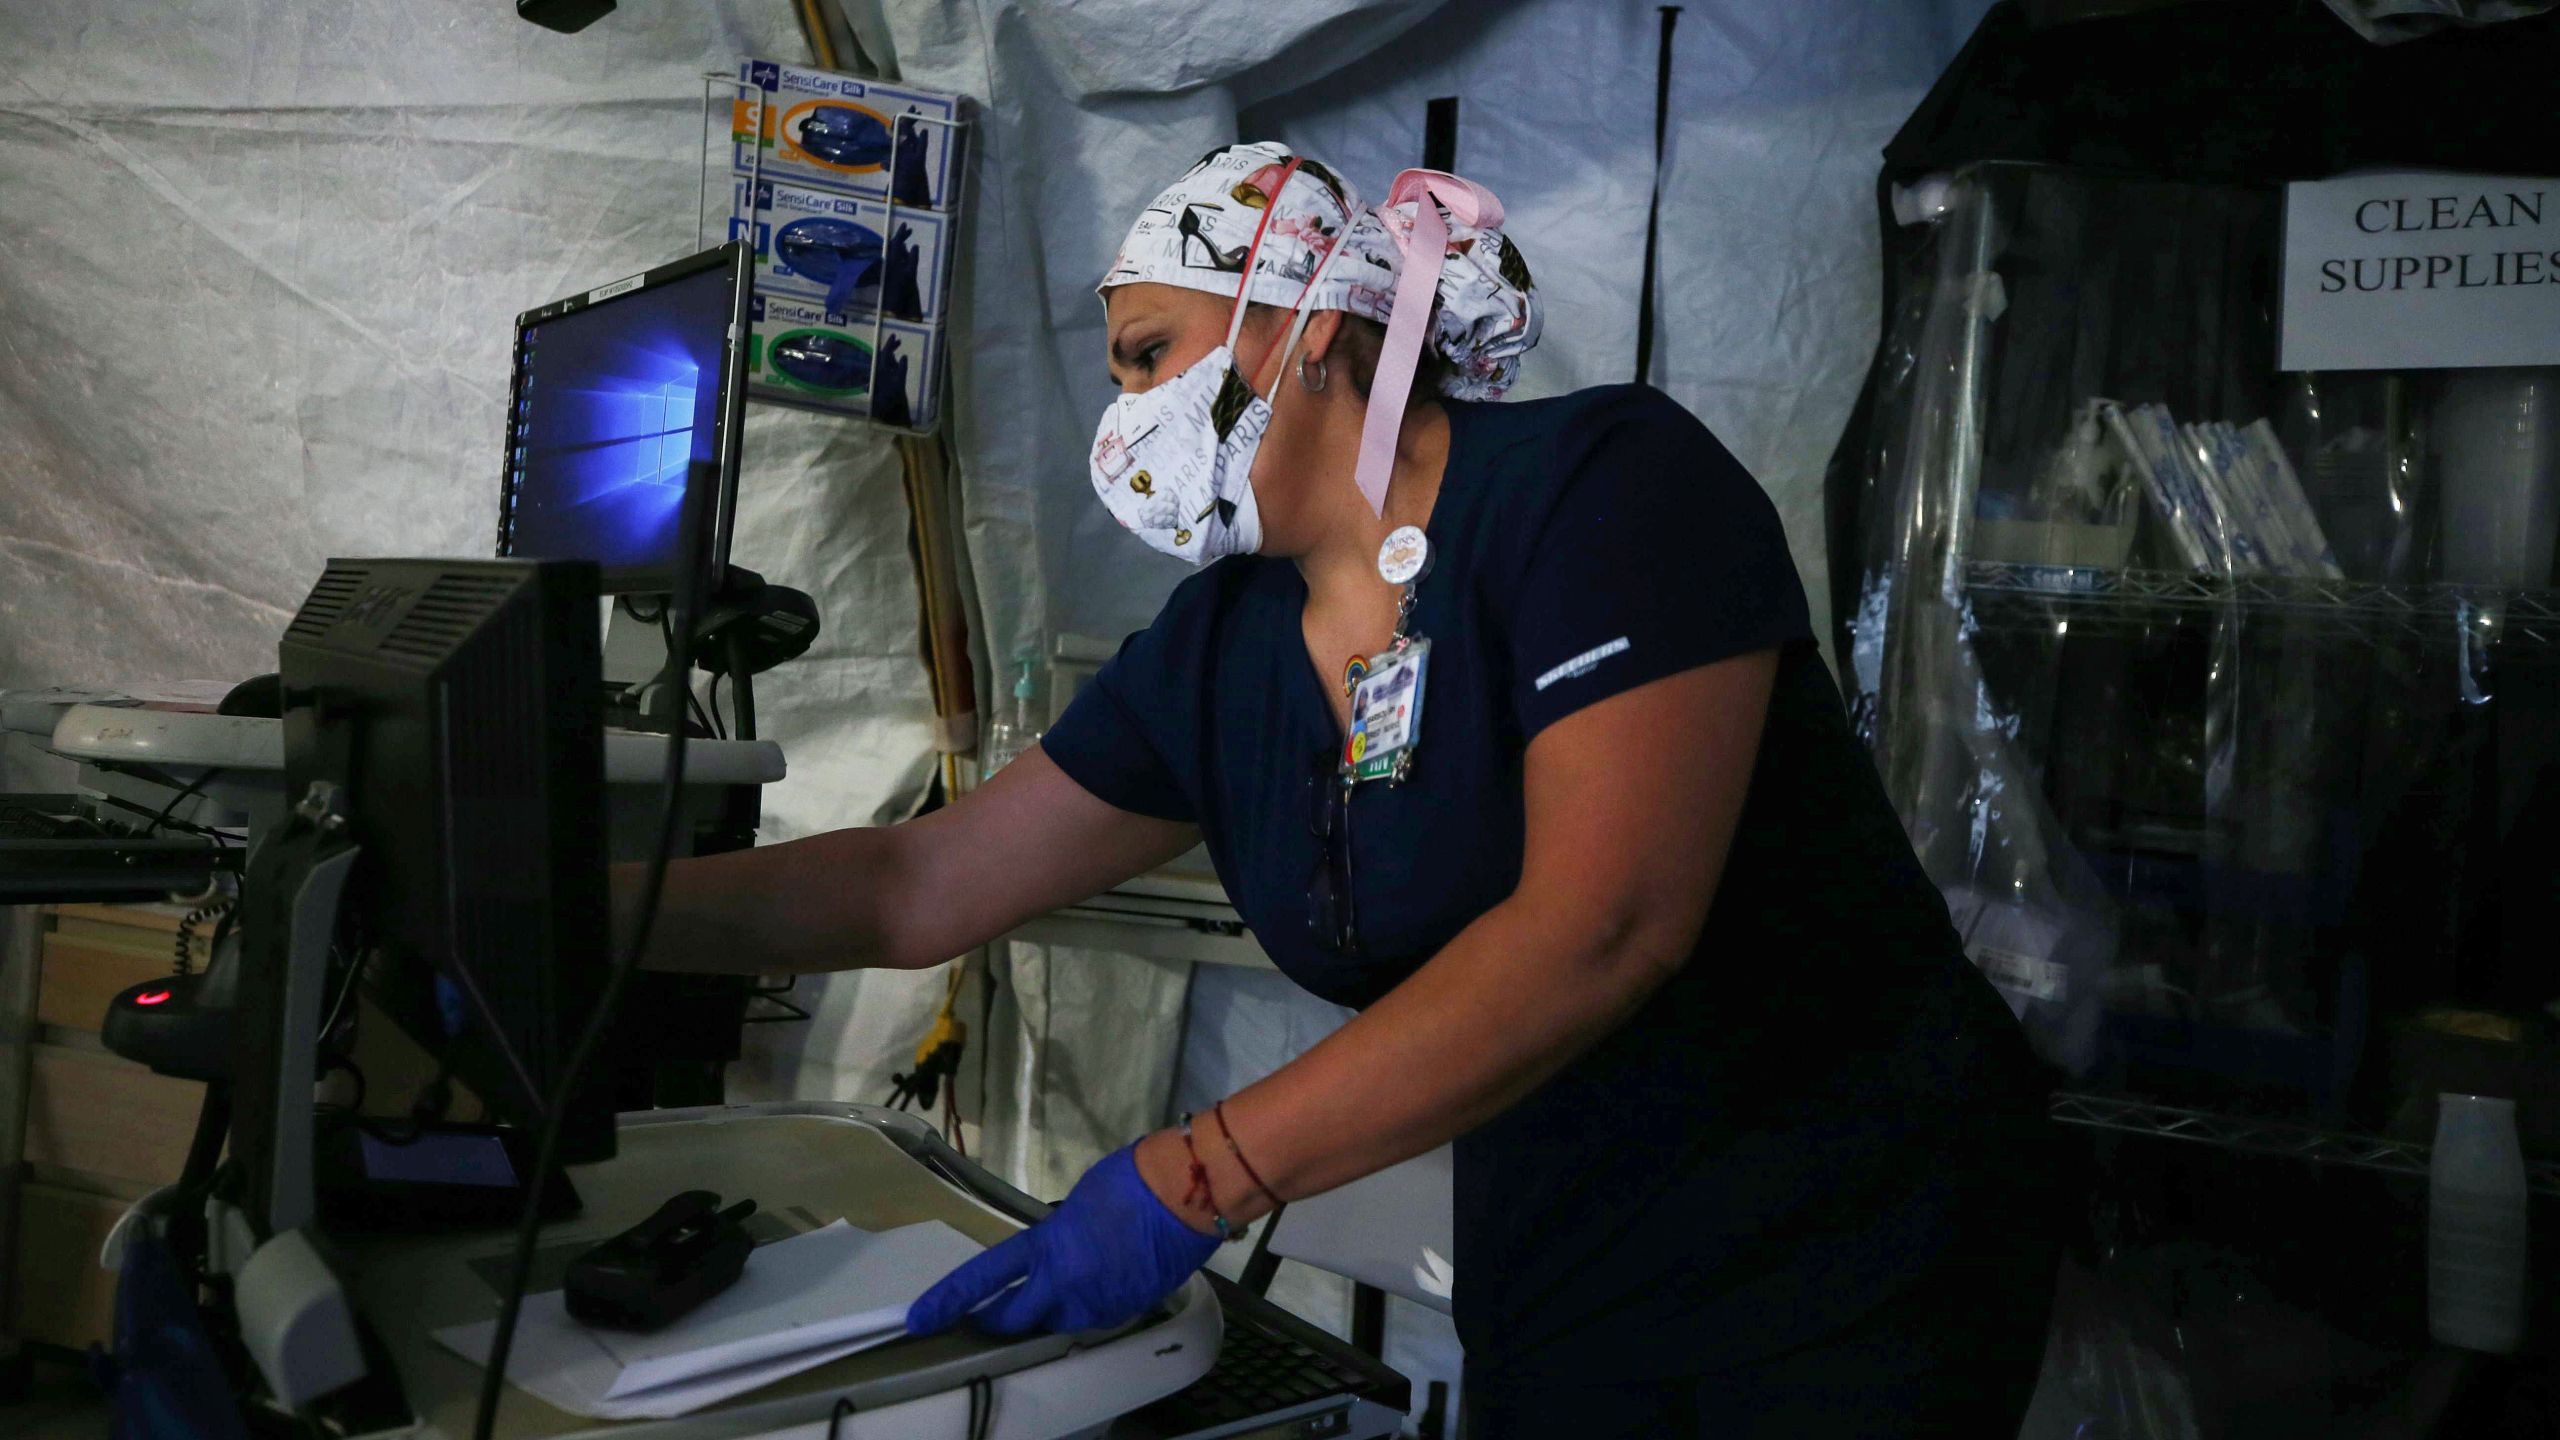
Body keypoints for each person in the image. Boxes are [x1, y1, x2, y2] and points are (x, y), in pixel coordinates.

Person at [635, 141, 2062, 1436]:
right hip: (1563, 1241)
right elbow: (914, 885)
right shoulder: (1225, 643)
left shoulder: (1602, 492)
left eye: (1146, 356)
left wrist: (1202, 1172)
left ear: (1307, 324)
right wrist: (588, 905)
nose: (1121, 414)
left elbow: (1608, 923)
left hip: (1841, 1233)